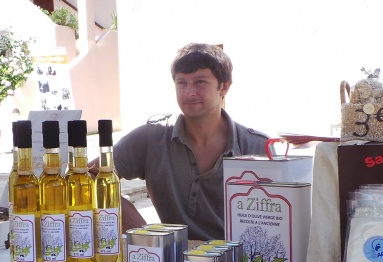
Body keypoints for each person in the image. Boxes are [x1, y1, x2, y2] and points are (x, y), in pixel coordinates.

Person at [93, 43, 270, 241]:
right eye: (181, 83)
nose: (189, 92)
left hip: (238, 258)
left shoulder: (257, 148)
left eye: (200, 82)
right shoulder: (151, 139)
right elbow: (88, 177)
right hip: (171, 256)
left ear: (224, 87)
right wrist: (136, 226)